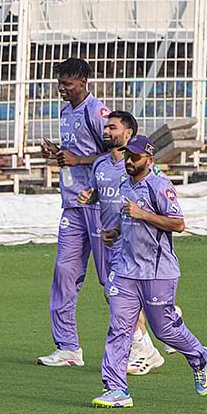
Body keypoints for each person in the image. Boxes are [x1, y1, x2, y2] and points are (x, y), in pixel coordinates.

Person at [92, 135, 207, 408]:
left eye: (135, 157)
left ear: (149, 160)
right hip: (126, 270)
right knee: (119, 328)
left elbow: (178, 224)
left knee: (163, 329)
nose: (130, 161)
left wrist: (142, 214)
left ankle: (199, 356)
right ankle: (116, 389)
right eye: (128, 155)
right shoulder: (125, 184)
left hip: (158, 271)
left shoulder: (160, 186)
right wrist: (115, 232)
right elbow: (127, 217)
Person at [77, 111, 165, 375]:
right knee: (116, 293)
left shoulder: (142, 166)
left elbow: (158, 191)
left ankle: (145, 351)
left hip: (137, 241)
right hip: (111, 240)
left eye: (112, 127)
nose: (106, 131)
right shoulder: (101, 164)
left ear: (128, 133)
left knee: (118, 294)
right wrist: (89, 196)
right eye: (106, 127)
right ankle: (158, 320)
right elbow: (98, 194)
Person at [38, 58, 109, 367]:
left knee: (111, 278)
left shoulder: (97, 112)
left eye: (67, 84)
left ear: (83, 82)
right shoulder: (65, 111)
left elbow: (116, 154)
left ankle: (144, 337)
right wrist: (57, 153)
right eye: (60, 83)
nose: (61, 89)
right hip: (72, 203)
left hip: (99, 203)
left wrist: (78, 160)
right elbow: (74, 152)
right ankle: (68, 347)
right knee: (65, 273)